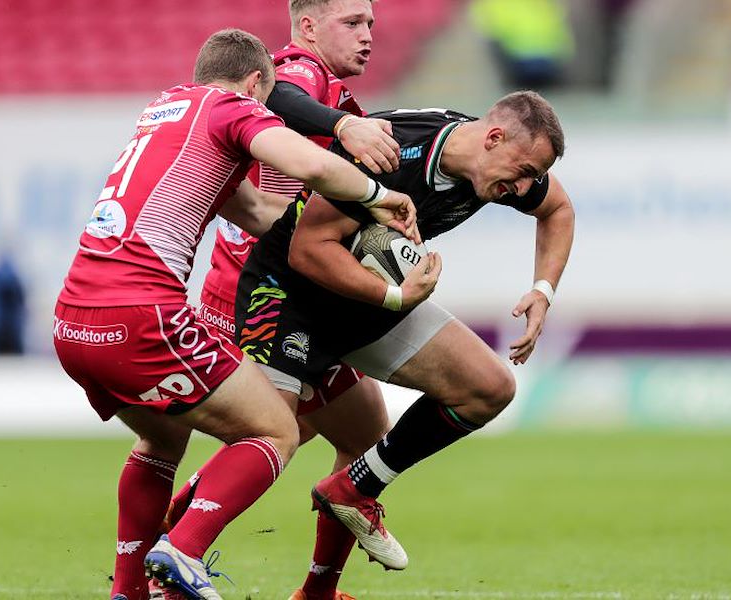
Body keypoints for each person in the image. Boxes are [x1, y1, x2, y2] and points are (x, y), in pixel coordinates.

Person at [52, 28, 417, 600]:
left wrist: (334, 238)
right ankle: (183, 550)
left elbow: (257, 210)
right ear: (256, 85)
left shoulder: (166, 109)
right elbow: (312, 166)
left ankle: (130, 592)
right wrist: (378, 197)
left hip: (74, 318)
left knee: (162, 442)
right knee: (274, 428)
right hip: (142, 312)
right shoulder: (231, 107)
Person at [235, 91, 574, 570]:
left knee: (489, 389)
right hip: (293, 298)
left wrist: (543, 289)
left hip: (364, 302)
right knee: (268, 441)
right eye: (523, 173)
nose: (523, 190)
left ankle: (352, 494)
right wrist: (394, 297)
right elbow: (306, 250)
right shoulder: (389, 152)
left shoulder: (490, 168)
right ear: (494, 138)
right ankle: (175, 543)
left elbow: (558, 209)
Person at [162, 2, 402, 599]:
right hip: (261, 297)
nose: (368, 36)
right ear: (308, 27)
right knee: (277, 435)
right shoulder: (298, 72)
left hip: (292, 296)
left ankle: (306, 583)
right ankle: (181, 544)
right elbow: (274, 99)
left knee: (363, 435)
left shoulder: (336, 96)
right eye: (353, 22)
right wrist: (345, 130)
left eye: (371, 23)